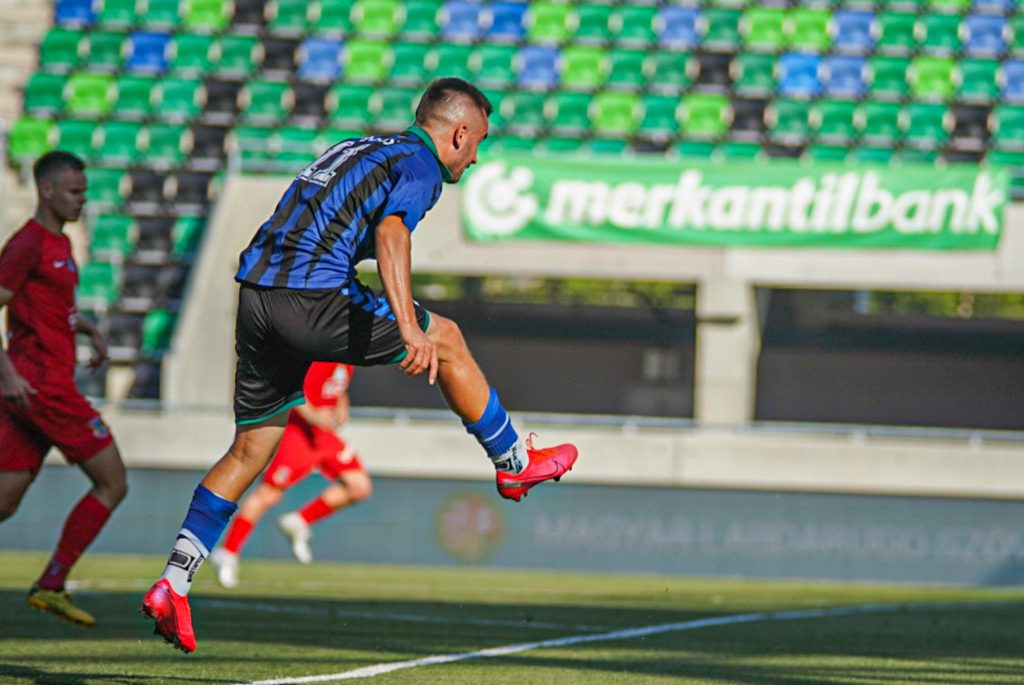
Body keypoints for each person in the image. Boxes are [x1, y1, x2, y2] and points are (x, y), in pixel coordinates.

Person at [140, 77, 578, 653]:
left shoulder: (355, 148)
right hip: (311, 297)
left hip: (256, 297)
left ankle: (173, 583)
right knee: (445, 338)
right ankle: (514, 460)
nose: (475, 158)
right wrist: (408, 325)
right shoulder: (420, 166)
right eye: (478, 143)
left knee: (250, 450)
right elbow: (392, 234)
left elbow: (320, 220)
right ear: (458, 134)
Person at [0, 151, 128, 627]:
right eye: (74, 192)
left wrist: (87, 329)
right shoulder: (27, 244)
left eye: (84, 192)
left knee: (4, 501)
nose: (82, 200)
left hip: (36, 388)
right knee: (113, 482)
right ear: (46, 189)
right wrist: (8, 375)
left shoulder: (61, 242)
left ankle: (51, 585)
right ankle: (51, 584)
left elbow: (48, 310)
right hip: (42, 388)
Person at [210, 361, 371, 588]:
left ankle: (299, 521)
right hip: (298, 432)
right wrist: (313, 414)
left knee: (359, 486)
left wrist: (343, 407)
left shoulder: (348, 356)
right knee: (269, 495)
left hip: (323, 435)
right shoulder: (320, 351)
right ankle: (227, 553)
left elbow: (337, 388)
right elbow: (290, 388)